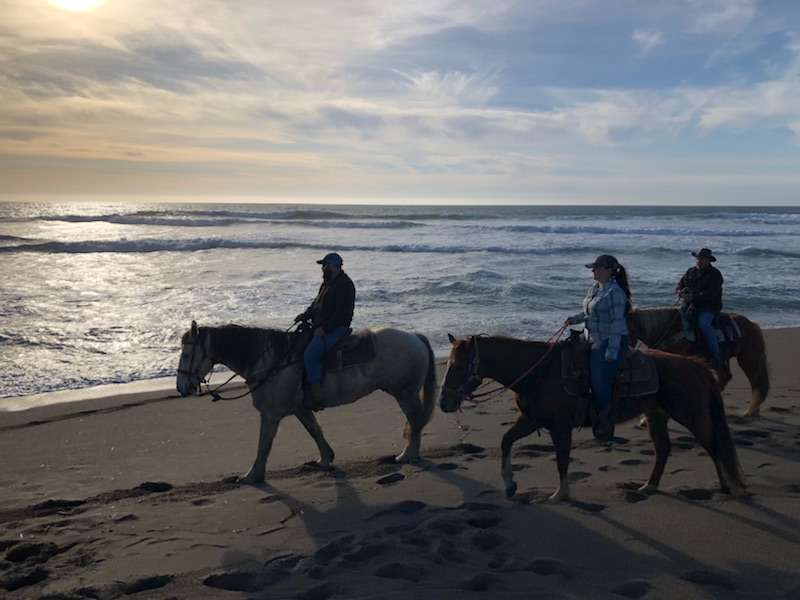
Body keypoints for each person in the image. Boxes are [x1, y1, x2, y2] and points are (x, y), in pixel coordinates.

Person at [564, 254, 632, 442]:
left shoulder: (615, 293)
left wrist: (612, 350)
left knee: (599, 381)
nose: (593, 271)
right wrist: (575, 319)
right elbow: (590, 313)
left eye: (597, 268)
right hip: (591, 337)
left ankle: (606, 423)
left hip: (610, 340)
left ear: (609, 270)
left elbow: (617, 323)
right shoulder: (595, 288)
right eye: (593, 268)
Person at [294, 252, 356, 410]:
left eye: (325, 265)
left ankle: (317, 395)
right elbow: (316, 304)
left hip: (337, 328)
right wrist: (305, 315)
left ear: (334, 267)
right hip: (321, 327)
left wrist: (324, 329)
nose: (322, 269)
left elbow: (343, 314)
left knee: (310, 354)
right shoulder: (327, 283)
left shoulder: (345, 285)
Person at [676, 248, 723, 368]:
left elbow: (712, 293)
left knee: (704, 324)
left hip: (708, 306)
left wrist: (693, 297)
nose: (699, 261)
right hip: (689, 306)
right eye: (698, 258)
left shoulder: (715, 274)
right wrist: (680, 292)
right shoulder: (690, 271)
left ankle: (716, 356)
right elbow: (681, 284)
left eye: (702, 259)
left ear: (708, 261)